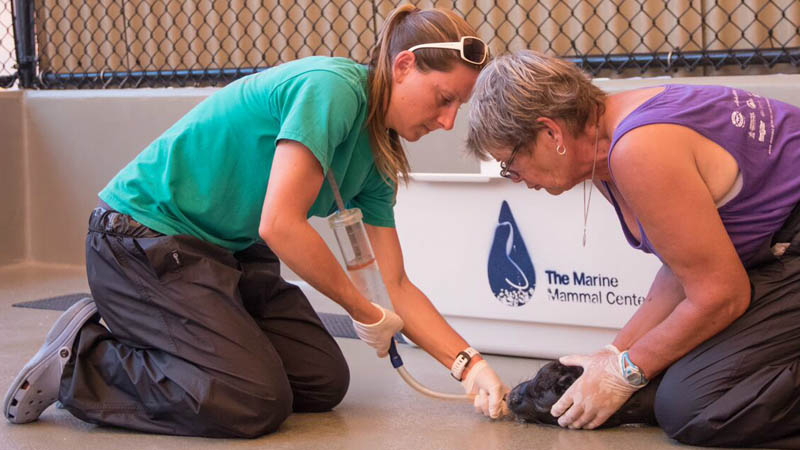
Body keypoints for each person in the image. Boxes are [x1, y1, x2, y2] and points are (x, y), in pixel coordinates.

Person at [4, 5, 511, 438]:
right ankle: (82, 360)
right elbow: (281, 225)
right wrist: (361, 308)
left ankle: (180, 340)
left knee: (320, 381)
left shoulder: (378, 155)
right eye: (445, 98)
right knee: (254, 399)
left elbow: (396, 283)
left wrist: (469, 364)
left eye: (457, 107)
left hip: (225, 252)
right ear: (403, 66)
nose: (448, 121)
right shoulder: (331, 88)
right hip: (142, 240)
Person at [466, 49, 800, 448]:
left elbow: (721, 295)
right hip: (779, 247)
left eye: (511, 164)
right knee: (680, 377)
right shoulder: (602, 147)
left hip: (786, 242)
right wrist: (613, 354)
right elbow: (682, 269)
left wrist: (625, 371)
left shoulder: (639, 147)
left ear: (550, 133)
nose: (515, 178)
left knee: (698, 405)